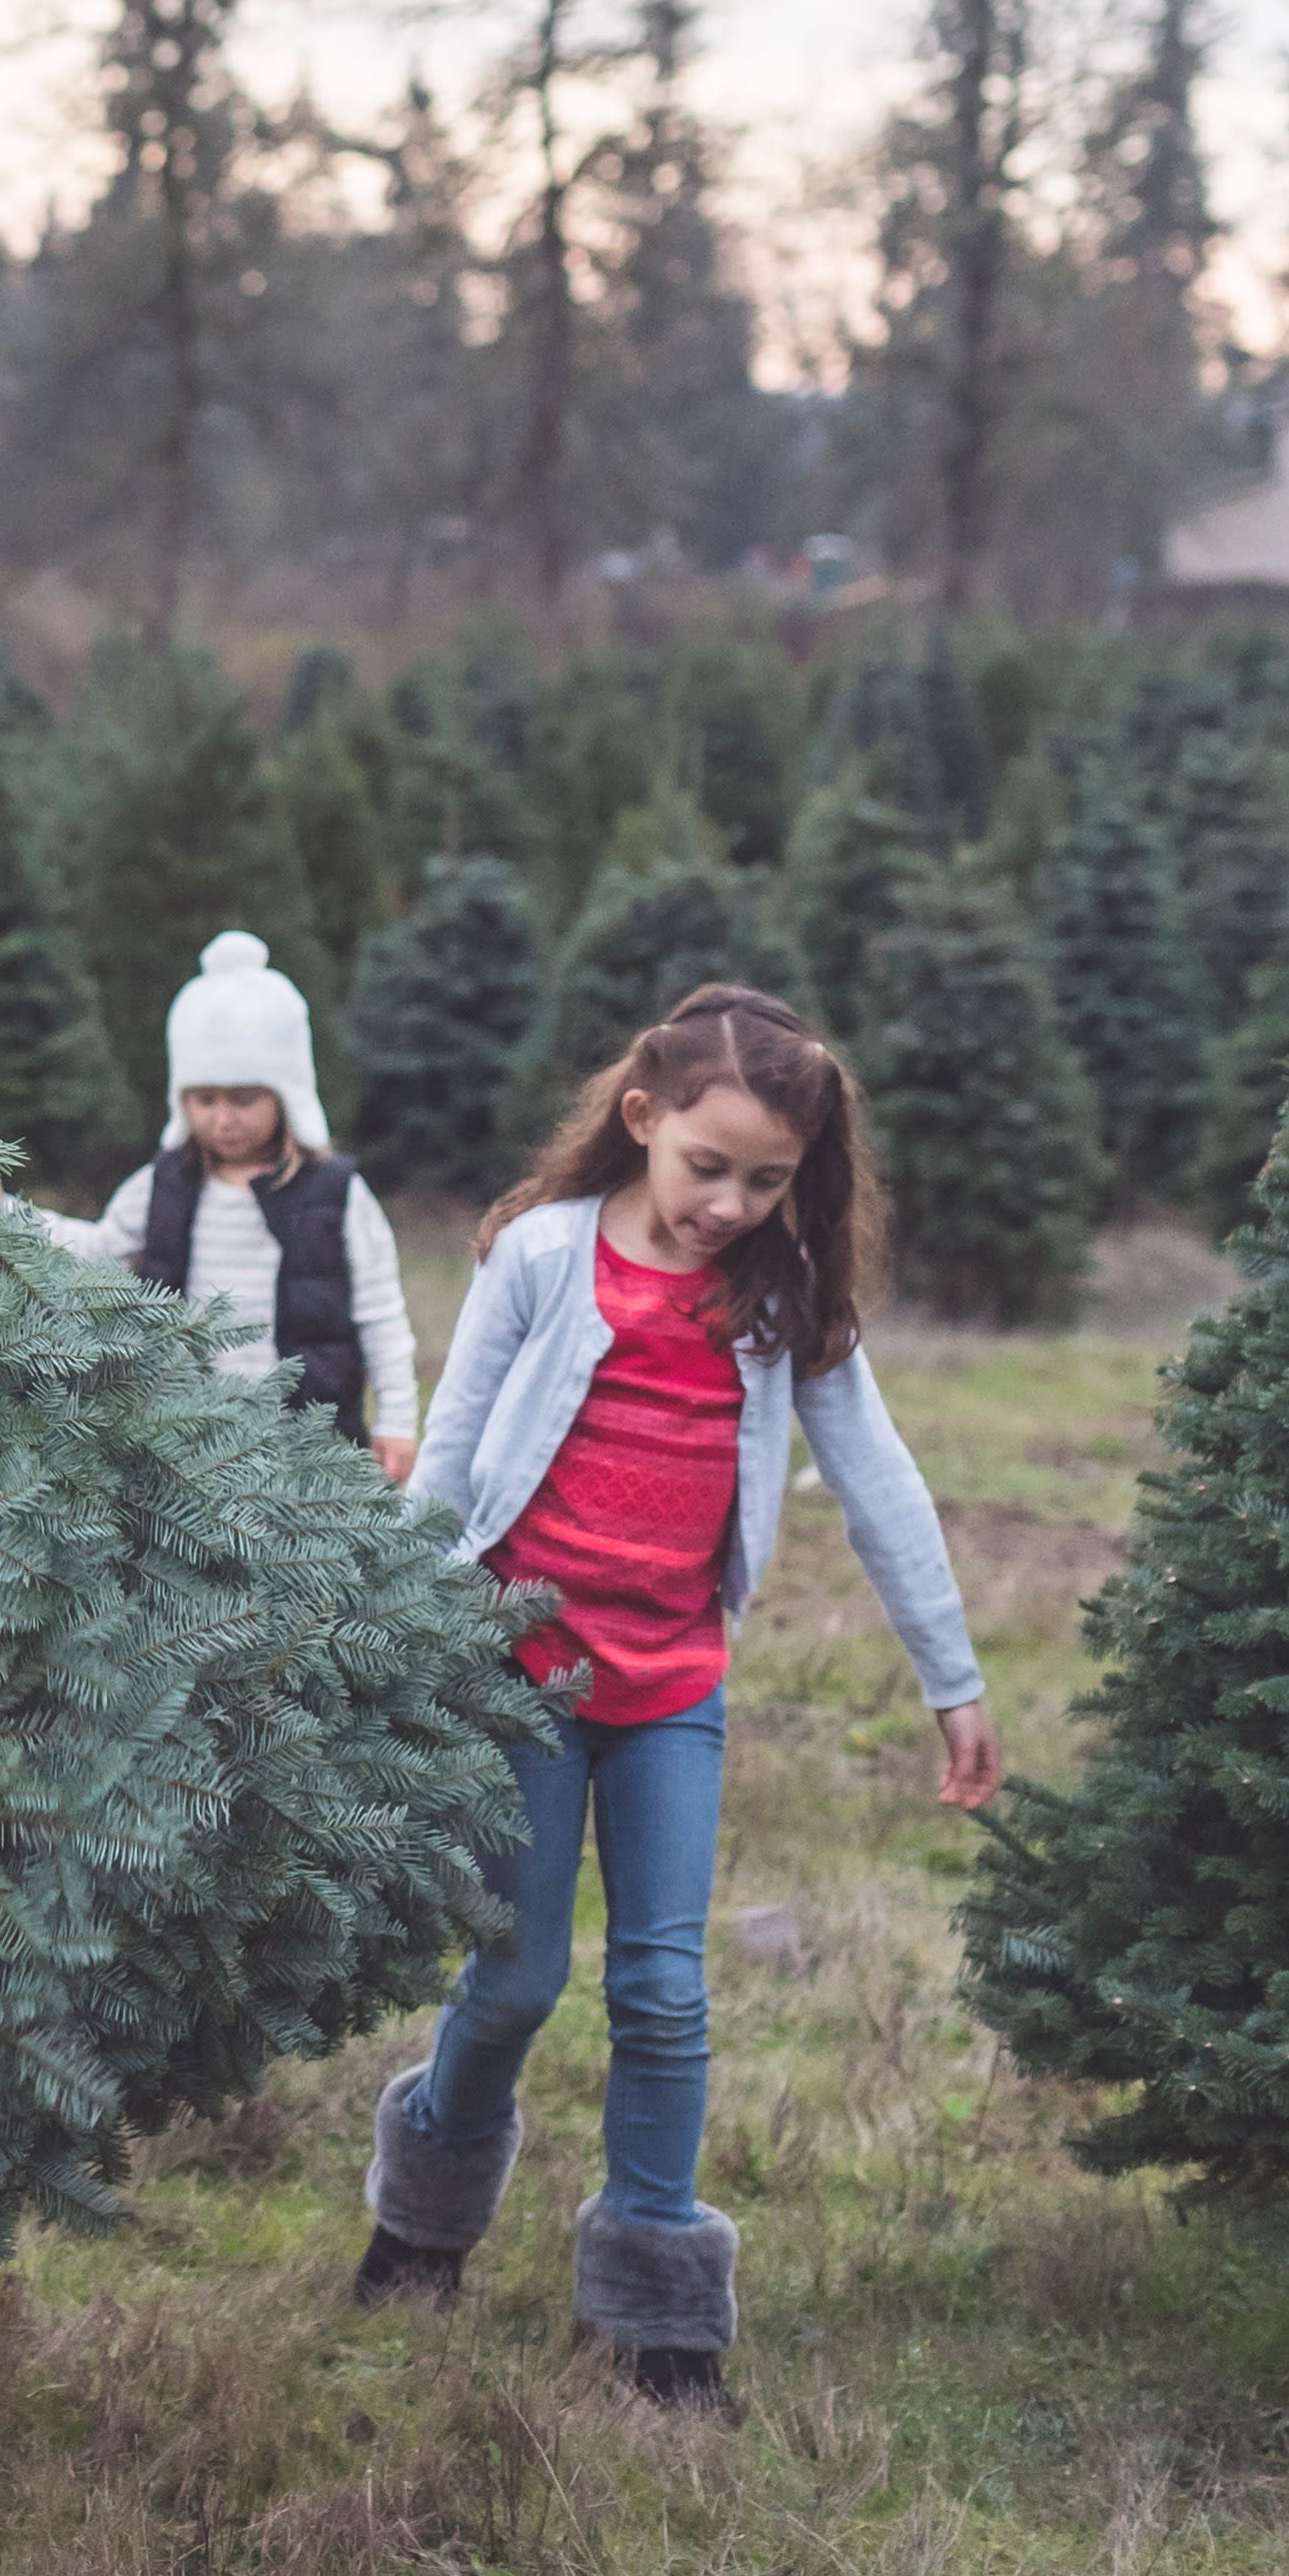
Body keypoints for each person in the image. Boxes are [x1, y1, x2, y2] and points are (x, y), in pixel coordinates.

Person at [353, 983, 1002, 2416]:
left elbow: (881, 1483)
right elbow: (452, 1454)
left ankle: (659, 2316)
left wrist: (950, 1683)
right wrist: (377, 1637)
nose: (731, 1201)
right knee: (516, 1980)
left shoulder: (783, 1300)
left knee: (663, 1990)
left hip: (672, 1691)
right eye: (709, 1166)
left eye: (770, 1180)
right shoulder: (541, 1257)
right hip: (519, 1673)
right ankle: (422, 2212)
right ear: (642, 1121)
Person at [69, 930, 419, 1476]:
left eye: (244, 1099)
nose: (223, 1119)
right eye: (204, 1100)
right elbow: (101, 1250)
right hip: (187, 1440)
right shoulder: (164, 1184)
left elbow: (380, 1311)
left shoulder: (335, 1192)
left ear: (286, 1094)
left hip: (308, 1443)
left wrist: (397, 1417)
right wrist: (6, 1215)